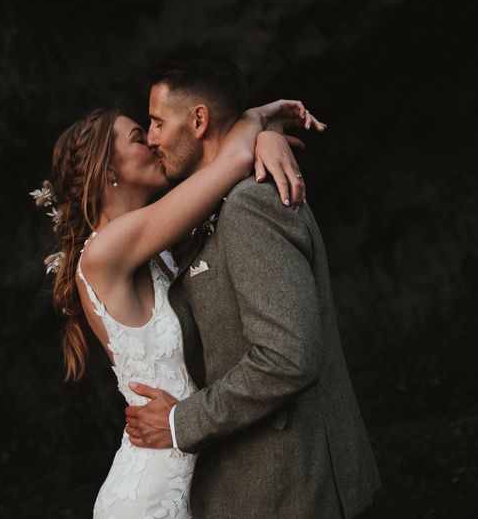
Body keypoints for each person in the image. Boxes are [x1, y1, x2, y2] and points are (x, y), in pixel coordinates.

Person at [32, 92, 324, 518]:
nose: (152, 143)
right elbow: (233, 160)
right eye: (137, 137)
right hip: (153, 491)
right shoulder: (105, 251)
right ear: (108, 168)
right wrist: (262, 117)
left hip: (198, 465)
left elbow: (231, 162)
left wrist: (269, 138)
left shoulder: (160, 247)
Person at [124, 51, 381, 518]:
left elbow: (287, 356)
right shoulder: (214, 205)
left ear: (198, 119)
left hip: (291, 489)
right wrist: (265, 131)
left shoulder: (248, 206)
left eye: (158, 122)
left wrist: (183, 421)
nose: (153, 138)